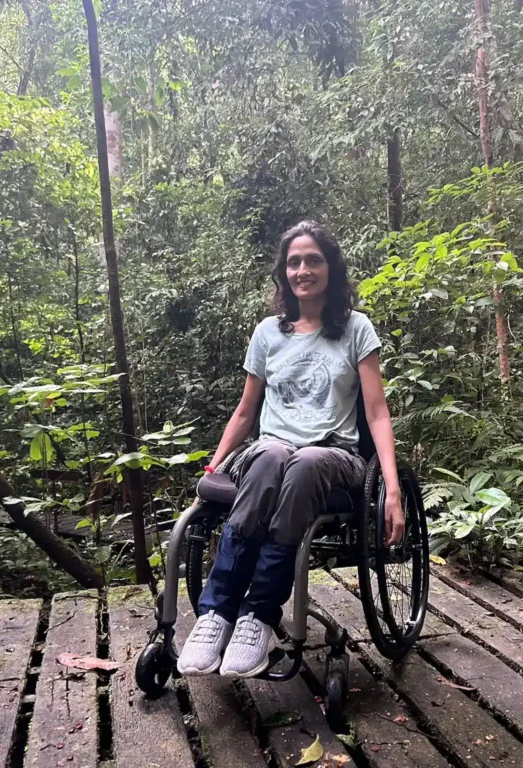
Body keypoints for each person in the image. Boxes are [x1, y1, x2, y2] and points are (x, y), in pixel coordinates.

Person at [176, 220, 405, 679]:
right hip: (270, 452)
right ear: (284, 272)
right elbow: (245, 411)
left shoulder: (355, 329)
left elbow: (377, 412)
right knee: (273, 454)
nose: (303, 269)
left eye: (313, 260)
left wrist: (393, 489)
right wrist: (215, 466)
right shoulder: (268, 333)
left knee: (302, 461)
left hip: (333, 454)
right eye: (294, 261)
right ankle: (217, 615)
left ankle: (258, 614)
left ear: (330, 268)